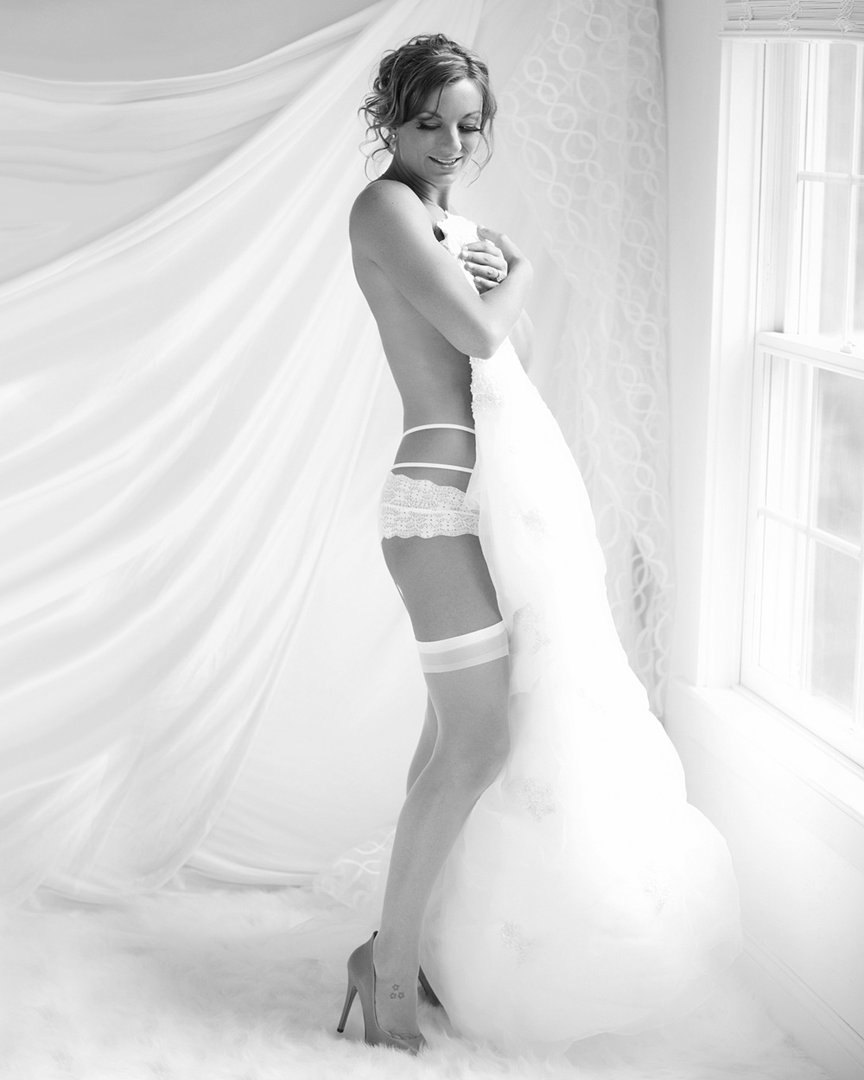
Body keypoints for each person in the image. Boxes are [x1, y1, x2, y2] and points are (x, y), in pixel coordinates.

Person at [339, 33, 740, 1057]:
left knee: (450, 741)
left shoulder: (445, 222)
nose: (449, 142)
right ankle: (389, 974)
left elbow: (489, 355)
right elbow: (481, 338)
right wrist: (516, 270)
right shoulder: (386, 208)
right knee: (475, 745)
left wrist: (493, 271)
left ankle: (401, 949)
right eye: (427, 121)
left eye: (468, 124)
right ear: (390, 120)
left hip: (483, 503)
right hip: (435, 505)